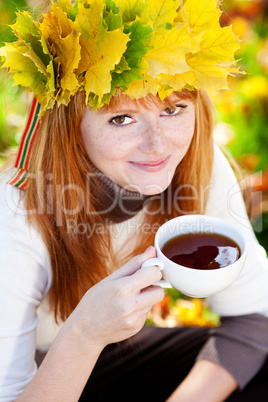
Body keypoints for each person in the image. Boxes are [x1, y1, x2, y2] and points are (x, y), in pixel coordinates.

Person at [0, 0, 267, 401]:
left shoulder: (195, 164)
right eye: (121, 118)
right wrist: (85, 332)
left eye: (174, 108)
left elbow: (254, 320)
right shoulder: (16, 217)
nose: (158, 146)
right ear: (71, 126)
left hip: (115, 363)